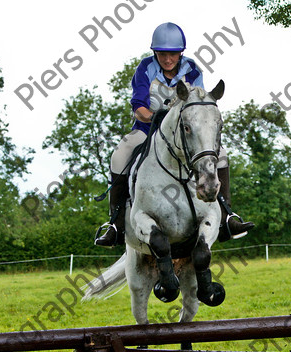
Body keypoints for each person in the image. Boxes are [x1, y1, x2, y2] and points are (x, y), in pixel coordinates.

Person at [95, 22, 253, 247]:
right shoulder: (145, 68)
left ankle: (227, 216)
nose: (168, 59)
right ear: (155, 53)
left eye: (173, 54)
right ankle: (115, 224)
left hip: (183, 135)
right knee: (120, 154)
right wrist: (155, 117)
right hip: (147, 131)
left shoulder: (192, 69)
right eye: (162, 54)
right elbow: (138, 107)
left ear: (181, 53)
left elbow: (197, 102)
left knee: (222, 155)